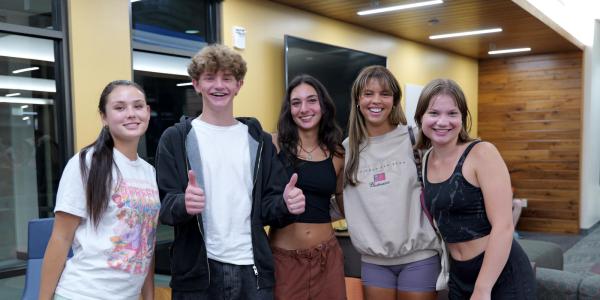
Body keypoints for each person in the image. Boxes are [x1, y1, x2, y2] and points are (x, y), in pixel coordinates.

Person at [155, 44, 305, 300]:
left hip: (253, 272)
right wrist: (184, 203)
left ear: (239, 84)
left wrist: (286, 204)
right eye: (210, 77)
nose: (219, 85)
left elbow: (268, 207)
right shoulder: (175, 139)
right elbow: (165, 206)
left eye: (227, 78)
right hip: (198, 275)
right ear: (196, 83)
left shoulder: (259, 141)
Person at [414, 78, 536, 299]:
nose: (443, 121)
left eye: (452, 113)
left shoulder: (482, 153)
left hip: (500, 272)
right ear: (420, 117)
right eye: (434, 113)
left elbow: (504, 226)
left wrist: (483, 287)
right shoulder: (426, 159)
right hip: (459, 274)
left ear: (463, 118)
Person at [39, 80, 159, 300]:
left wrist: (148, 296)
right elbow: (60, 238)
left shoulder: (149, 172)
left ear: (148, 112)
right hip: (84, 293)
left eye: (138, 106)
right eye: (120, 108)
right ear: (104, 117)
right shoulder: (86, 163)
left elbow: (146, 243)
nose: (131, 114)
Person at [343, 65, 443, 300]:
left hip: (419, 257)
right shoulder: (347, 149)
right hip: (374, 262)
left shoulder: (416, 139)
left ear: (395, 100)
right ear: (358, 99)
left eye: (385, 94)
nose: (376, 100)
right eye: (368, 93)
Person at [270, 74, 346, 300]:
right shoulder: (274, 145)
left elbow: (342, 197)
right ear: (289, 109)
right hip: (284, 261)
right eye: (296, 103)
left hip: (327, 259)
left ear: (323, 105)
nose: (304, 108)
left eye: (312, 100)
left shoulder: (337, 153)